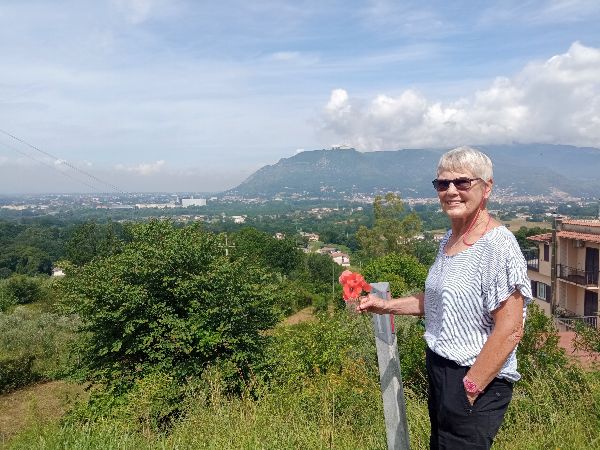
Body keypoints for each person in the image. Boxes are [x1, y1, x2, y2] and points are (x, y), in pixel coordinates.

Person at [358, 146, 532, 450]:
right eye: (442, 184)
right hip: (442, 368)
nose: (451, 191)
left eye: (462, 182)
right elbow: (438, 300)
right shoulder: (450, 239)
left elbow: (510, 329)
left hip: (474, 376)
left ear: (486, 187)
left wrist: (470, 386)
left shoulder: (497, 245)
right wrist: (385, 305)